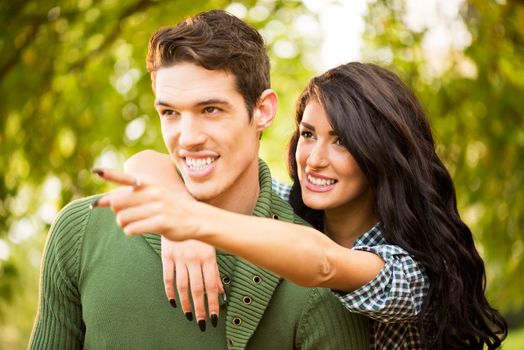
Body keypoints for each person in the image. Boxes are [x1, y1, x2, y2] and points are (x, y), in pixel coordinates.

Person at [29, 10, 370, 350]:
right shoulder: (82, 230)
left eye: (210, 110)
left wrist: (192, 222)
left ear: (262, 111)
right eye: (170, 113)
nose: (187, 137)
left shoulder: (323, 282)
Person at [118, 62, 508, 349]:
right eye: (308, 134)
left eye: (341, 141)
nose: (315, 158)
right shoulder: (289, 207)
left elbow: (323, 264)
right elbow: (147, 162)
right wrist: (178, 224)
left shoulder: (410, 272)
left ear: (382, 155)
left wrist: (193, 222)